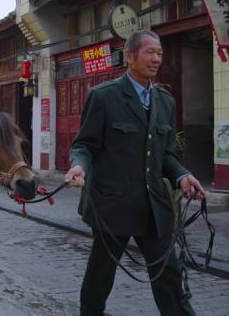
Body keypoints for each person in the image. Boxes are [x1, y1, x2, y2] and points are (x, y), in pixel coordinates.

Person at [65, 30, 204, 316]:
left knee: (169, 272)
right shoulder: (104, 96)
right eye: (150, 52)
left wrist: (181, 176)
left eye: (160, 53)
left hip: (154, 206)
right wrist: (79, 166)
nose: (156, 58)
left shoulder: (165, 101)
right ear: (130, 57)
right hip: (111, 204)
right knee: (101, 275)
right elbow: (84, 145)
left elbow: (165, 154)